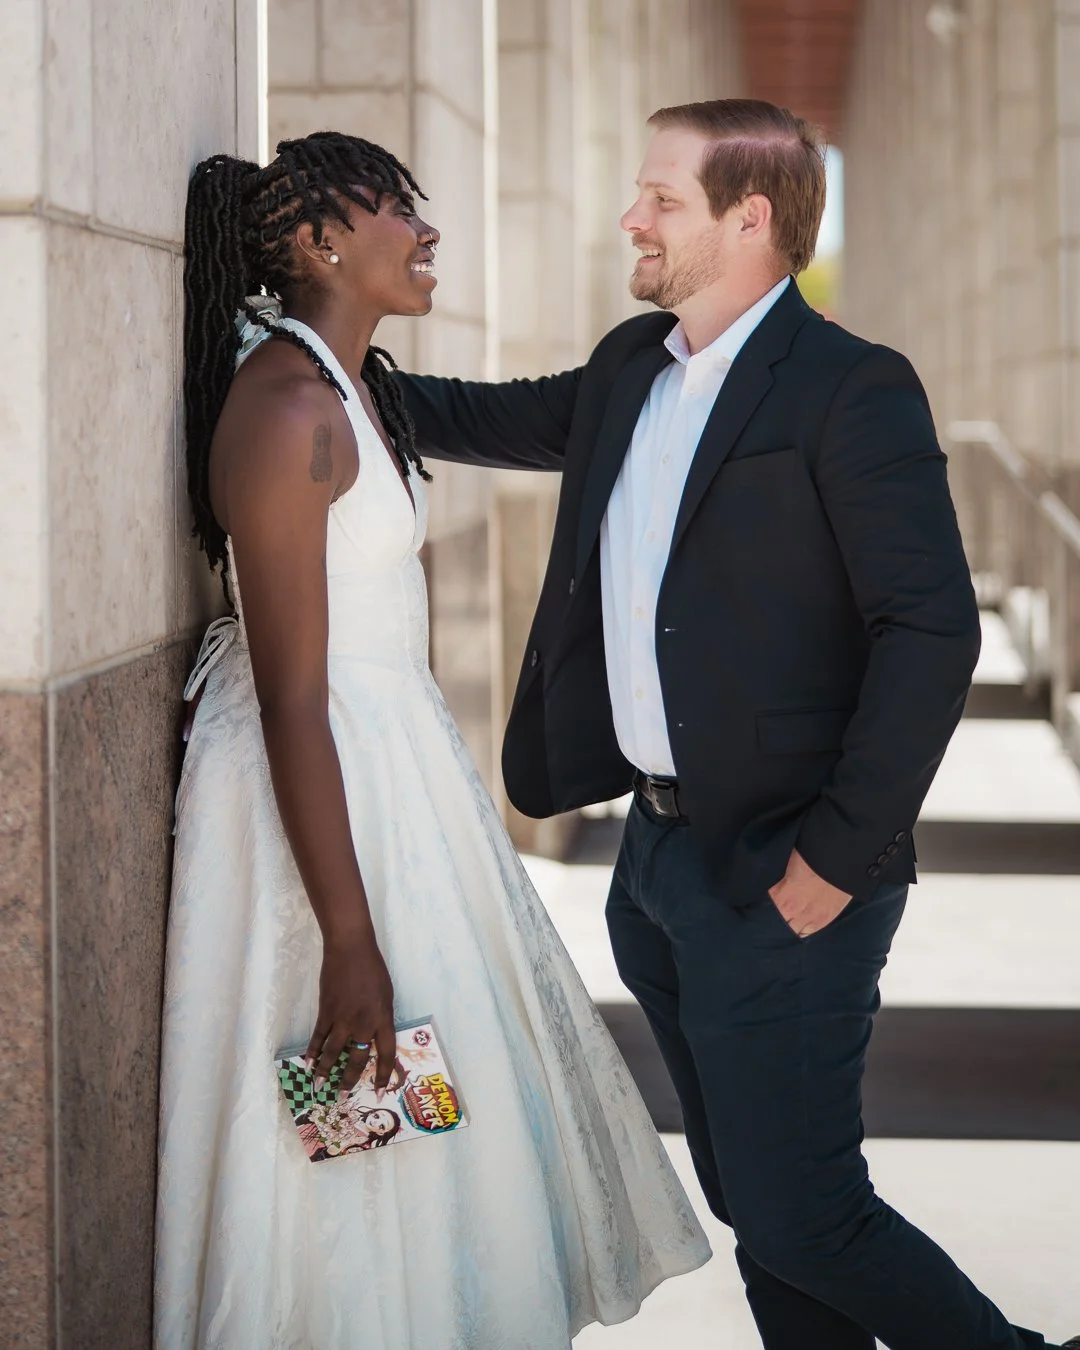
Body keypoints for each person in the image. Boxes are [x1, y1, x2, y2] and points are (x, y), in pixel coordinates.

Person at [395, 100, 1078, 1350]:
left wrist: (836, 858)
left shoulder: (851, 388)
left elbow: (931, 633)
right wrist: (334, 367)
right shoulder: (626, 369)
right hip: (658, 866)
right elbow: (487, 416)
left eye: (662, 198)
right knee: (756, 1202)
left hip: (789, 868)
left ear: (750, 219)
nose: (631, 218)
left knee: (805, 1210)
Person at [156, 131, 710, 1350]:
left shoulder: (358, 388)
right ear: (317, 243)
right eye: (395, 207)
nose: (425, 228)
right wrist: (347, 939)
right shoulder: (290, 406)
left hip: (395, 781)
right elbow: (293, 696)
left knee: (423, 1117)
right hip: (321, 797)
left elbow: (547, 423)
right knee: (337, 1100)